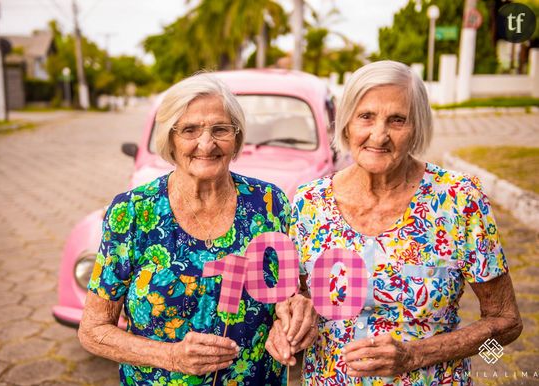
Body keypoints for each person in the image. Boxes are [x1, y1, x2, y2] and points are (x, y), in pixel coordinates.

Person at [266, 60, 523, 385]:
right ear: (346, 125)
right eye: (366, 117)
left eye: (397, 120)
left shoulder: (459, 200)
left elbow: (508, 326)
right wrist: (293, 321)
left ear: (416, 128)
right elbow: (298, 298)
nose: (379, 134)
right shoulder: (309, 202)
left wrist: (418, 354)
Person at [78, 72, 313, 385]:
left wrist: (291, 321)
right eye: (190, 130)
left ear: (237, 137)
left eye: (220, 129)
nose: (207, 143)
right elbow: (93, 331)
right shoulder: (133, 212)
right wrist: (171, 356)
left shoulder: (269, 203)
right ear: (171, 140)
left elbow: (292, 292)